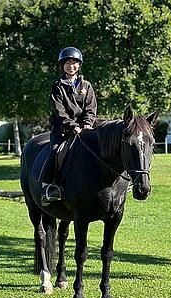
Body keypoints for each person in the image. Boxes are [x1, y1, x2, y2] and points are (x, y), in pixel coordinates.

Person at [40, 46, 97, 206]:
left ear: (79, 65)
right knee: (54, 152)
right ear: (62, 65)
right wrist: (73, 127)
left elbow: (91, 108)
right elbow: (60, 111)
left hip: (84, 130)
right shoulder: (57, 86)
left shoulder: (86, 86)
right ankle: (48, 188)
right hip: (63, 131)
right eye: (67, 62)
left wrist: (86, 124)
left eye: (73, 63)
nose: (70, 66)